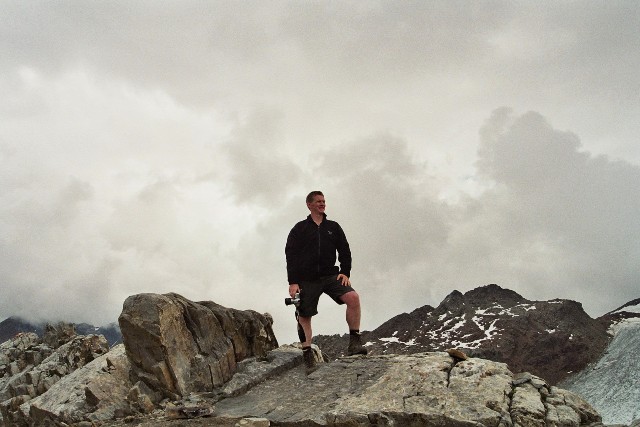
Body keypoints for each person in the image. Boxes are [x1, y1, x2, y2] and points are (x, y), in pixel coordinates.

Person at [285, 191, 367, 374]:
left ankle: (355, 343)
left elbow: (345, 250)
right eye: (318, 201)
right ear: (309, 205)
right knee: (304, 315)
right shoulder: (299, 229)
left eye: (324, 201)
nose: (322, 204)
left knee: (353, 298)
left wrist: (345, 271)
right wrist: (293, 282)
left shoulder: (333, 227)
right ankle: (307, 355)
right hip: (307, 279)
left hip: (331, 276)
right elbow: (291, 255)